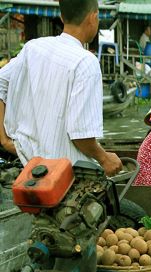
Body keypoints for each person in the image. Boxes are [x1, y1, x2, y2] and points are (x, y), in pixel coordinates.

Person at [0, 0, 122, 176]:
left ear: (62, 17)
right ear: (93, 17)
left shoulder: (33, 47)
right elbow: (81, 135)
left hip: (27, 162)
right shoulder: (86, 62)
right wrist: (104, 158)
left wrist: (5, 139)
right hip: (64, 174)